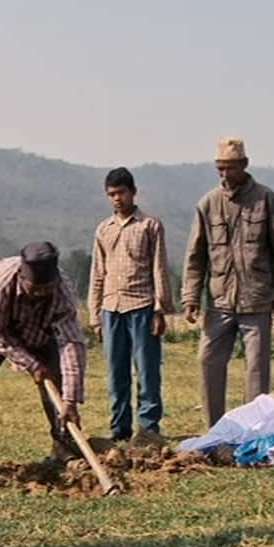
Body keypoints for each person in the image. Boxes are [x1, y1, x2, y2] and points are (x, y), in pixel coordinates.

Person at [181, 137, 274, 427]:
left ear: (244, 165)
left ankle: (255, 430)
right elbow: (196, 256)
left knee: (256, 370)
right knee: (208, 361)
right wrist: (190, 297)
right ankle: (215, 429)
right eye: (220, 168)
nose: (224, 174)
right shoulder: (208, 204)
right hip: (219, 302)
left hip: (257, 299)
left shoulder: (266, 199)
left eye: (230, 168)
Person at [0, 241, 88, 460]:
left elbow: (71, 345)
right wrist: (32, 365)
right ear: (22, 277)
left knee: (56, 383)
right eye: (35, 288)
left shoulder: (62, 292)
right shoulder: (1, 285)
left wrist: (70, 401)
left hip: (41, 328)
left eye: (45, 289)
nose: (40, 293)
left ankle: (63, 446)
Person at [88, 167, 174, 442]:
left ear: (133, 192)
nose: (117, 199)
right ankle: (120, 429)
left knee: (147, 372)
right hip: (111, 308)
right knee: (116, 373)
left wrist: (160, 309)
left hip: (142, 306)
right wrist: (94, 316)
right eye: (111, 194)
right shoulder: (103, 229)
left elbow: (159, 268)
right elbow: (97, 273)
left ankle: (149, 429)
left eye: (121, 193)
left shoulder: (150, 225)